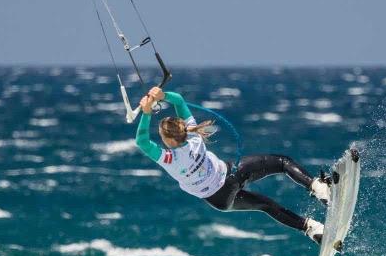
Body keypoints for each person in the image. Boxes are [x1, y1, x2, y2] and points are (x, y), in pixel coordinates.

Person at [134, 87, 331, 244]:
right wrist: (162, 95)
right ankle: (318, 188)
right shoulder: (193, 136)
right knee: (282, 162)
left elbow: (142, 141)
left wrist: (146, 112)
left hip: (219, 200)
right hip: (231, 176)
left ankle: (312, 229)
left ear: (168, 140)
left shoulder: (168, 159)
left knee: (266, 205)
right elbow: (178, 100)